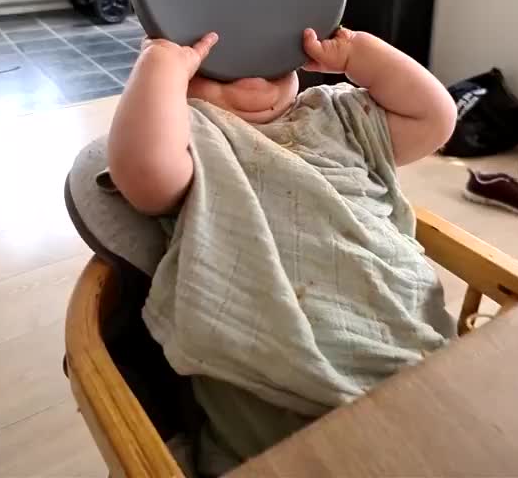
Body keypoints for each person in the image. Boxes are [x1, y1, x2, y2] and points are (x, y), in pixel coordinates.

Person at [108, 27, 457, 476]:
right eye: (219, 66)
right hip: (285, 381)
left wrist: (359, 52)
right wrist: (158, 67)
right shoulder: (193, 134)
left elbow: (434, 119)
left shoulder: (339, 116)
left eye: (267, 61)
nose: (251, 76)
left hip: (403, 338)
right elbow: (144, 171)